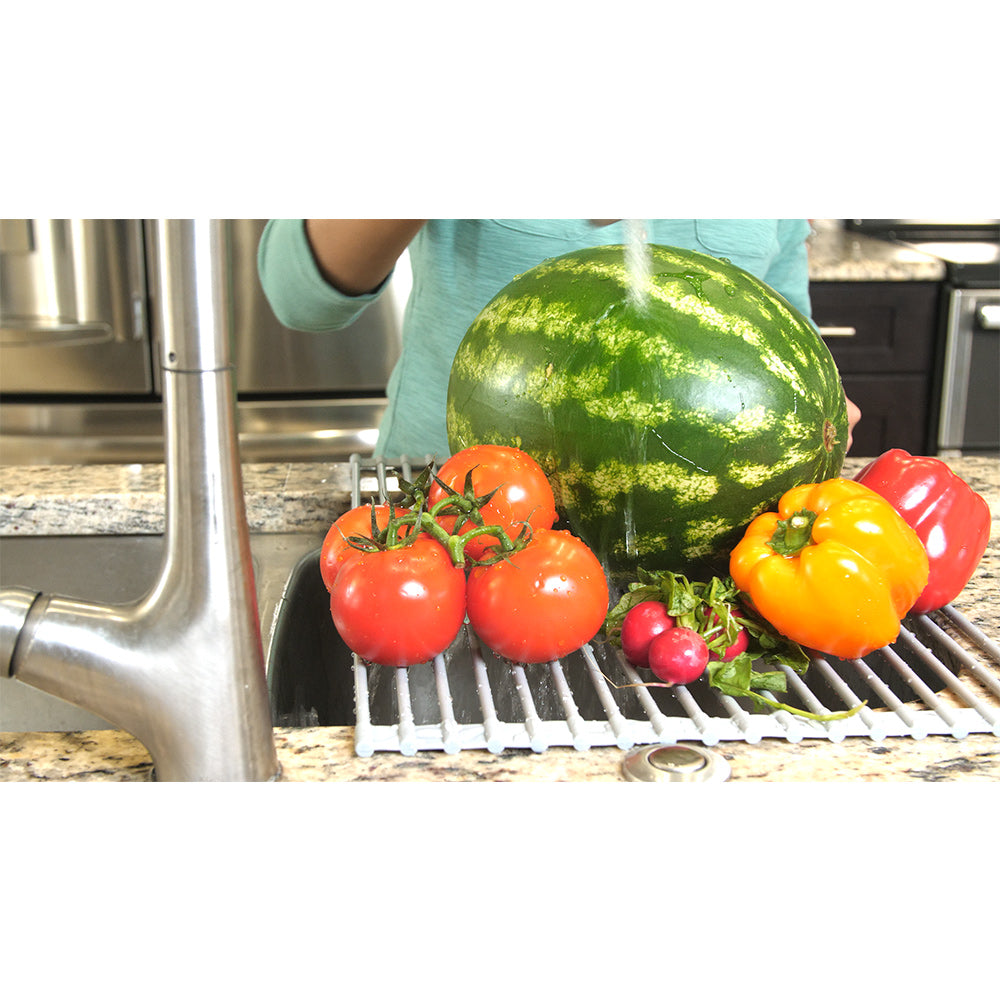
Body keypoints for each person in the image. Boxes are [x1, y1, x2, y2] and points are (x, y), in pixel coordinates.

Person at [257, 219, 862, 459]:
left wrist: (816, 404)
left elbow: (785, 323)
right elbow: (299, 297)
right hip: (452, 521)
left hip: (697, 564)